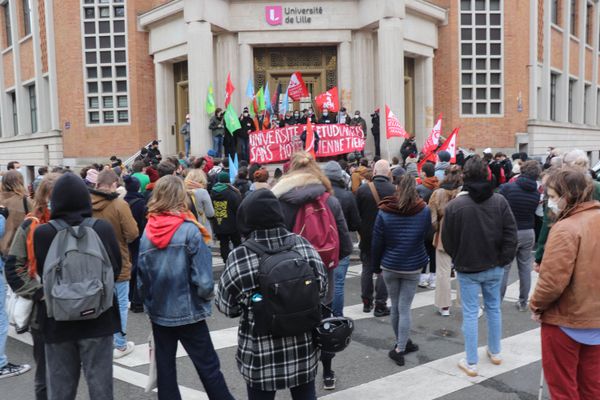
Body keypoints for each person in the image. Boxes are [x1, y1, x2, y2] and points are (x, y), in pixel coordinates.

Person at [216, 189, 327, 400]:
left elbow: (226, 307)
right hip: (303, 350)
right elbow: (321, 289)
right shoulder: (303, 245)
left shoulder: (240, 255)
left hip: (261, 356)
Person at [137, 176, 234, 400]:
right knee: (209, 368)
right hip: (190, 312)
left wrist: (150, 303)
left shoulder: (148, 232)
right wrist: (205, 298)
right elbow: (203, 281)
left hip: (160, 312)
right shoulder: (190, 231)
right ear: (181, 197)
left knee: (166, 371)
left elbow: (142, 279)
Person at [33, 173, 122, 399]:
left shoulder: (44, 233)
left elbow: (42, 272)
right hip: (99, 319)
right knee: (101, 389)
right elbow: (116, 268)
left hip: (57, 321)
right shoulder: (102, 228)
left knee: (61, 391)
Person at [271, 151, 353, 390]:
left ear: (289, 171)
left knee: (293, 328)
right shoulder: (330, 200)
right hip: (323, 280)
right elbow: (346, 246)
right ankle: (327, 373)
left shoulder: (280, 202)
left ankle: (295, 375)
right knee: (325, 327)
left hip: (290, 280)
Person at [442, 155, 517, 377]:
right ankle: (495, 352)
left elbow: (447, 241)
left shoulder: (456, 206)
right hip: (493, 266)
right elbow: (510, 235)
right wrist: (503, 259)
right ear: (487, 174)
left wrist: (459, 256)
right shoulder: (499, 201)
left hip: (469, 268)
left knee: (471, 312)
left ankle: (472, 361)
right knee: (493, 309)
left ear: (465, 176)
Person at [529, 168, 600, 400]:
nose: (549, 202)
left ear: (567, 195)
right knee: (592, 386)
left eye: (551, 196)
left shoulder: (565, 228)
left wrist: (536, 305)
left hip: (566, 318)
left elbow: (551, 283)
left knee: (563, 388)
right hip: (595, 319)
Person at [5, 173, 59, 395]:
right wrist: (39, 293)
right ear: (43, 198)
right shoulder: (32, 225)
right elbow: (13, 267)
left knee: (66, 374)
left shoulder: (74, 223)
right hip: (43, 314)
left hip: (72, 312)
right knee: (45, 374)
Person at [372, 174, 431, 366]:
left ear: (396, 186)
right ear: (415, 187)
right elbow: (426, 236)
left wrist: (375, 266)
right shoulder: (423, 210)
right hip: (413, 264)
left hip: (390, 264)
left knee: (395, 305)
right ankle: (401, 346)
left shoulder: (384, 210)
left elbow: (377, 242)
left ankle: (401, 344)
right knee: (404, 308)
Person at [90, 170, 139, 358]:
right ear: (112, 185)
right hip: (117, 258)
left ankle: (102, 342)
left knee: (99, 303)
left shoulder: (86, 204)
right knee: (119, 304)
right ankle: (120, 344)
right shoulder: (119, 204)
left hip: (93, 260)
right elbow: (133, 233)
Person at [0, 172, 32, 380]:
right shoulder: (24, 201)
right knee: (19, 294)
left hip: (5, 253)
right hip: (20, 253)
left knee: (9, 295)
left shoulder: (3, 201)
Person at [498, 160, 542, 311]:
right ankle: (523, 302)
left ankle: (497, 302)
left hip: (510, 231)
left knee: (504, 268)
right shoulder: (536, 193)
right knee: (524, 268)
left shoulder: (508, 188)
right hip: (528, 232)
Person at [355, 160, 395, 317]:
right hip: (387, 235)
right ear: (388, 173)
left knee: (366, 268)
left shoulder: (362, 190)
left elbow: (356, 215)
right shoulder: (394, 190)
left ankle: (366, 302)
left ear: (374, 171)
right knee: (383, 270)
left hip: (367, 235)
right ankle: (380, 304)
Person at [323, 161, 361, 317]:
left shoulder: (319, 196)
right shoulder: (347, 196)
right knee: (338, 284)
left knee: (322, 283)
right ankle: (337, 316)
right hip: (340, 245)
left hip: (322, 244)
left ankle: (324, 314)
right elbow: (355, 224)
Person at [429, 165, 462, 316]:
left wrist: (436, 229)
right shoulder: (463, 193)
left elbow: (432, 218)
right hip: (462, 233)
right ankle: (464, 302)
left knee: (443, 271)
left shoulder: (438, 193)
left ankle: (444, 307)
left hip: (444, 232)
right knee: (463, 271)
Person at [123, 175, 147, 314]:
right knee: (138, 269)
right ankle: (137, 300)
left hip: (125, 240)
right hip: (139, 238)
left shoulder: (122, 202)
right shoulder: (141, 203)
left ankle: (130, 296)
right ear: (138, 187)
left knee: (130, 267)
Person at [415, 162, 439, 289]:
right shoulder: (439, 187)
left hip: (422, 224)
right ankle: (433, 278)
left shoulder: (419, 188)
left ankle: (423, 277)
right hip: (436, 224)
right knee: (433, 252)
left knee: (423, 251)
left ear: (424, 173)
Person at [211, 171, 242, 263]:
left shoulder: (212, 192)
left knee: (223, 244)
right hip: (233, 224)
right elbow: (238, 208)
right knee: (237, 243)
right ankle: (239, 260)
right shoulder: (233, 193)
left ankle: (226, 261)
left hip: (219, 223)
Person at [184, 168, 215, 240]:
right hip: (202, 227)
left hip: (187, 227)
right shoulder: (203, 192)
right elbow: (210, 213)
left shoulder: (182, 190)